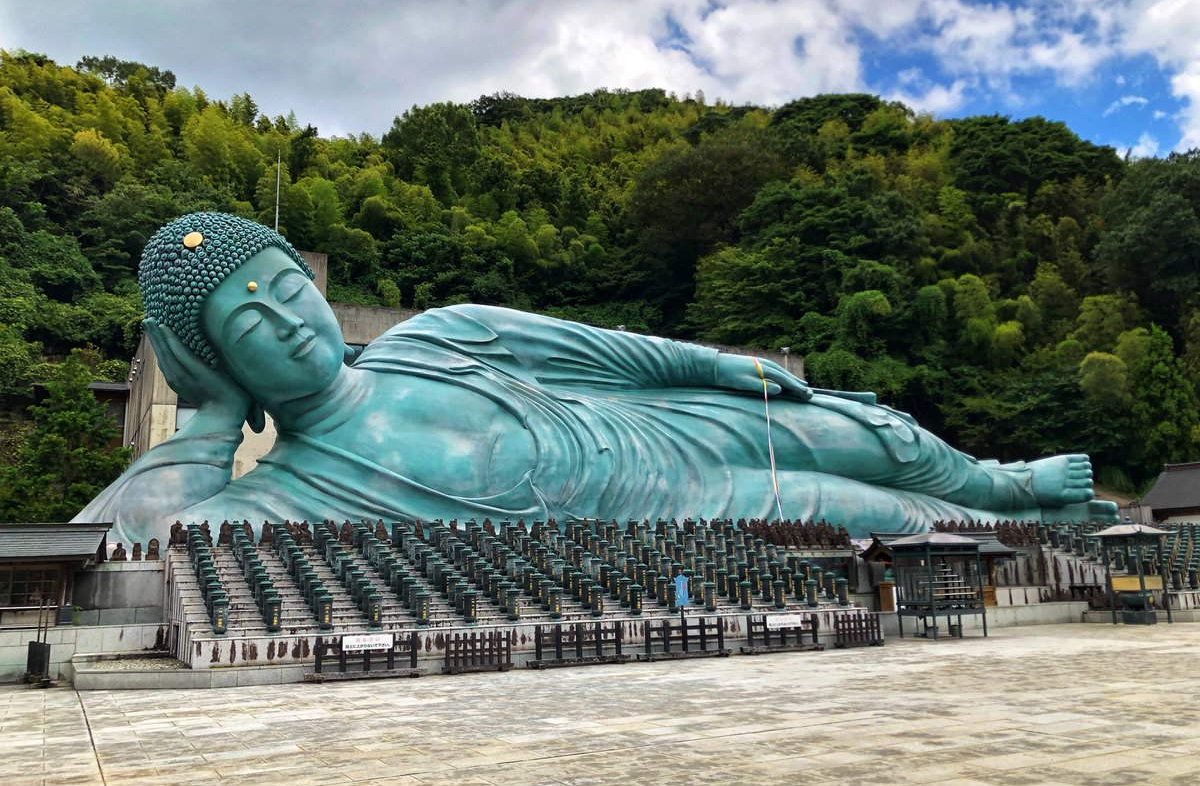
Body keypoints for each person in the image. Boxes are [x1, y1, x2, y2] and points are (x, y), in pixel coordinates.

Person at [75, 213, 1116, 547]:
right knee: (881, 517)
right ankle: (1023, 524)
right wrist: (208, 422)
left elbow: (600, 350)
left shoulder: (437, 337)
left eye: (284, 287)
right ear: (219, 360)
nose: (284, 321)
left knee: (859, 427)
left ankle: (1003, 479)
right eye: (244, 324)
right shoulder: (289, 492)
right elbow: (130, 544)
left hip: (658, 424)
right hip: (679, 510)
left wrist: (717, 365)